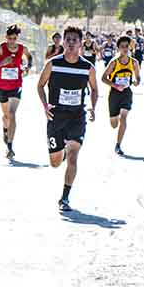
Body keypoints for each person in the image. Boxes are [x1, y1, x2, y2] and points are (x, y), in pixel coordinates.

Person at [37, 24, 98, 212]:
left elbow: (95, 89)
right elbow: (40, 86)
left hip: (77, 116)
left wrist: (92, 107)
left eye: (75, 40)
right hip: (56, 116)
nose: (71, 43)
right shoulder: (53, 64)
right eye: (68, 40)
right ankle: (60, 152)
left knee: (73, 157)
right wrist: (45, 106)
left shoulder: (87, 67)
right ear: (63, 42)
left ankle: (65, 197)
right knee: (55, 163)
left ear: (81, 44)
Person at [0, 24, 33, 159]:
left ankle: (10, 147)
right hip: (2, 87)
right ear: (6, 37)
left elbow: (29, 58)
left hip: (16, 85)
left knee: (12, 114)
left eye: (14, 38)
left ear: (18, 38)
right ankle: (5, 129)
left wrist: (27, 67)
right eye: (9, 38)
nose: (12, 41)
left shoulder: (23, 49)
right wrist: (2, 63)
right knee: (6, 116)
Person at [101, 34, 141, 156]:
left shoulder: (134, 62)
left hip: (126, 93)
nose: (125, 49)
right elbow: (103, 78)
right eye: (122, 46)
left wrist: (136, 82)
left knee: (124, 118)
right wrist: (116, 86)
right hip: (114, 94)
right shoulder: (114, 62)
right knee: (114, 124)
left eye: (127, 46)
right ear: (118, 48)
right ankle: (115, 117)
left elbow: (138, 77)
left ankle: (118, 145)